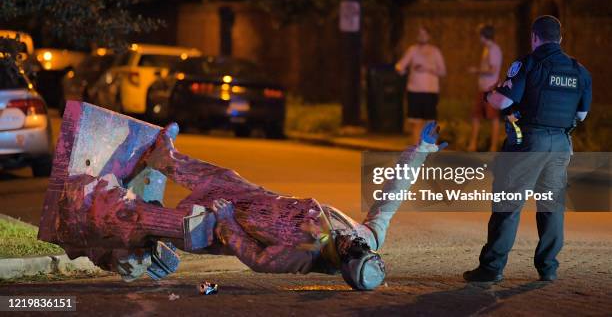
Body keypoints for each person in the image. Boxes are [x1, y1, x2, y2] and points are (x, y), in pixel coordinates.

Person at [50, 119, 447, 290]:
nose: (351, 246)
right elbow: (394, 192)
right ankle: (163, 157)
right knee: (220, 174)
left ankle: (92, 215)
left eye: (350, 256)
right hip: (251, 198)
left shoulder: (301, 258)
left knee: (178, 221)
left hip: (219, 224)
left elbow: (256, 259)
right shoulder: (365, 234)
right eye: (361, 250)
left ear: (343, 267)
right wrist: (423, 148)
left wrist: (227, 222)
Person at [464, 15, 592, 283]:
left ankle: (491, 268)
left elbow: (501, 102)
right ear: (561, 38)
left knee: (508, 205)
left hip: (529, 142)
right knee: (551, 206)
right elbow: (581, 115)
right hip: (561, 145)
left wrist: (489, 94)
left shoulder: (528, 63)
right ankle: (548, 268)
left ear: (534, 37)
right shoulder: (579, 70)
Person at [395, 26, 446, 145]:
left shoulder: (434, 51)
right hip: (414, 90)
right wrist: (401, 70)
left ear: (429, 36)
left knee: (430, 122)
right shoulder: (412, 50)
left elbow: (443, 71)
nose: (421, 37)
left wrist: (428, 69)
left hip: (430, 91)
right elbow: (400, 66)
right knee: (415, 122)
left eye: (424, 34)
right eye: (419, 34)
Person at [467, 24, 503, 152]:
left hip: (490, 89)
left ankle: (493, 147)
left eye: (480, 35)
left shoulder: (494, 49)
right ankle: (472, 145)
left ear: (484, 36)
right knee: (476, 116)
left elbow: (492, 69)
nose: (478, 38)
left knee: (493, 118)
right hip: (483, 88)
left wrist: (476, 70)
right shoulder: (487, 49)